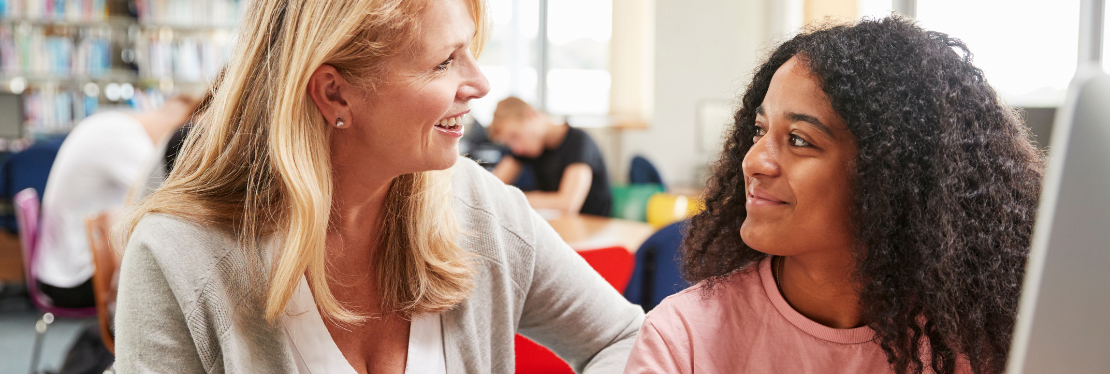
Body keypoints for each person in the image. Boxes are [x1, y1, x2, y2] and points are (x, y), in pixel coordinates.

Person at [113, 0, 643, 373]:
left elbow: (627, 339)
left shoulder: (483, 210)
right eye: (444, 61)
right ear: (335, 94)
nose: (480, 84)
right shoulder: (176, 257)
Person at [625, 17, 1044, 374]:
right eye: (759, 130)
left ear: (888, 175)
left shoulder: (980, 340)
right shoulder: (682, 341)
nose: (754, 160)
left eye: (798, 140)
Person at [35, 95, 199, 308]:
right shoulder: (124, 137)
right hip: (74, 279)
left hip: (61, 266)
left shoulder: (113, 123)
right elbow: (168, 199)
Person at [488, 97, 612, 217]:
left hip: (592, 227)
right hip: (558, 226)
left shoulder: (579, 141)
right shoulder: (529, 148)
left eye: (515, 136)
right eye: (509, 143)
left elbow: (568, 205)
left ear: (531, 115)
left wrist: (512, 198)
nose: (516, 148)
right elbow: (490, 189)